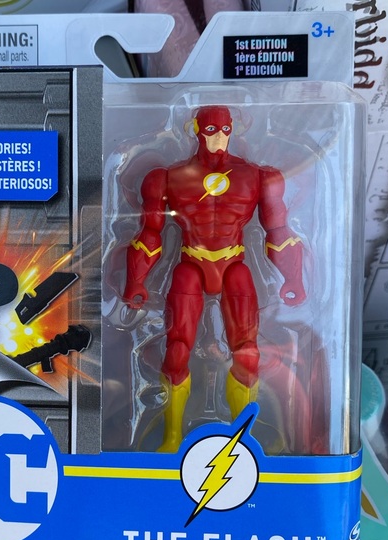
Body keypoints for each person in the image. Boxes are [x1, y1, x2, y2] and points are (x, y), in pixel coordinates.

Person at [123, 105, 305, 452]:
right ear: (195, 129)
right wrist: (136, 282)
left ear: (234, 129)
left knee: (247, 352)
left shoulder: (258, 176)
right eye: (211, 130)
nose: (219, 137)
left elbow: (278, 231)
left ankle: (242, 438)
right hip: (190, 263)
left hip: (234, 263)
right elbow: (149, 233)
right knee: (177, 351)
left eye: (225, 130)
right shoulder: (167, 177)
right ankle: (172, 437)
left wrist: (293, 278)